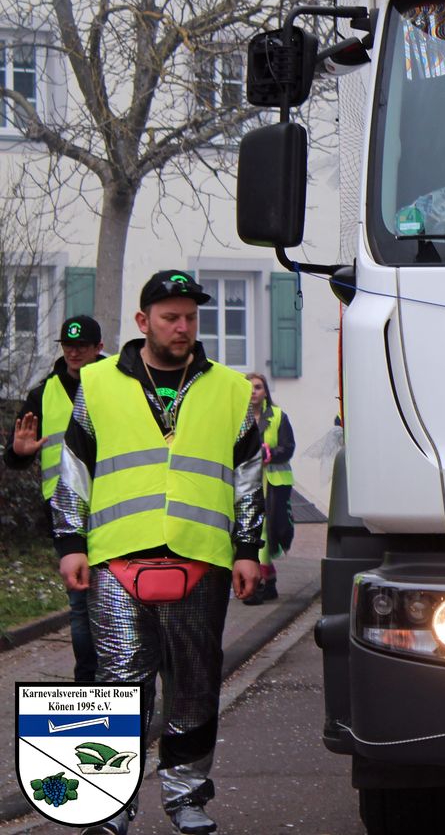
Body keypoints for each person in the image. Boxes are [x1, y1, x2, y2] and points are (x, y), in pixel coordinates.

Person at [52, 270, 263, 835]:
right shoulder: (97, 384)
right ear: (143, 321)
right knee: (117, 683)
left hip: (201, 557)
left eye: (191, 317)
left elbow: (248, 477)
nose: (183, 327)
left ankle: (186, 796)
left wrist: (248, 548)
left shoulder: (231, 391)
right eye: (171, 317)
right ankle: (108, 803)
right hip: (116, 558)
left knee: (194, 682)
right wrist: (70, 543)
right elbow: (74, 469)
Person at [6, 313, 106, 682]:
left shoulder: (119, 384)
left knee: (117, 599)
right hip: (64, 511)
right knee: (80, 604)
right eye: (68, 346)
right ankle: (87, 683)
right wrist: (19, 451)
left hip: (114, 503)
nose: (73, 352)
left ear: (99, 347)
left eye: (82, 346)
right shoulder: (42, 393)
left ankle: (120, 680)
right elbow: (15, 455)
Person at [243, 372, 294, 605]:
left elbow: (288, 447)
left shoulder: (278, 416)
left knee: (266, 530)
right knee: (249, 529)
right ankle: (267, 583)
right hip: (245, 481)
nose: (253, 391)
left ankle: (259, 585)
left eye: (258, 387)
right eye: (249, 387)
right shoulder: (237, 417)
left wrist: (269, 454)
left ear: (265, 392)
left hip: (273, 483)